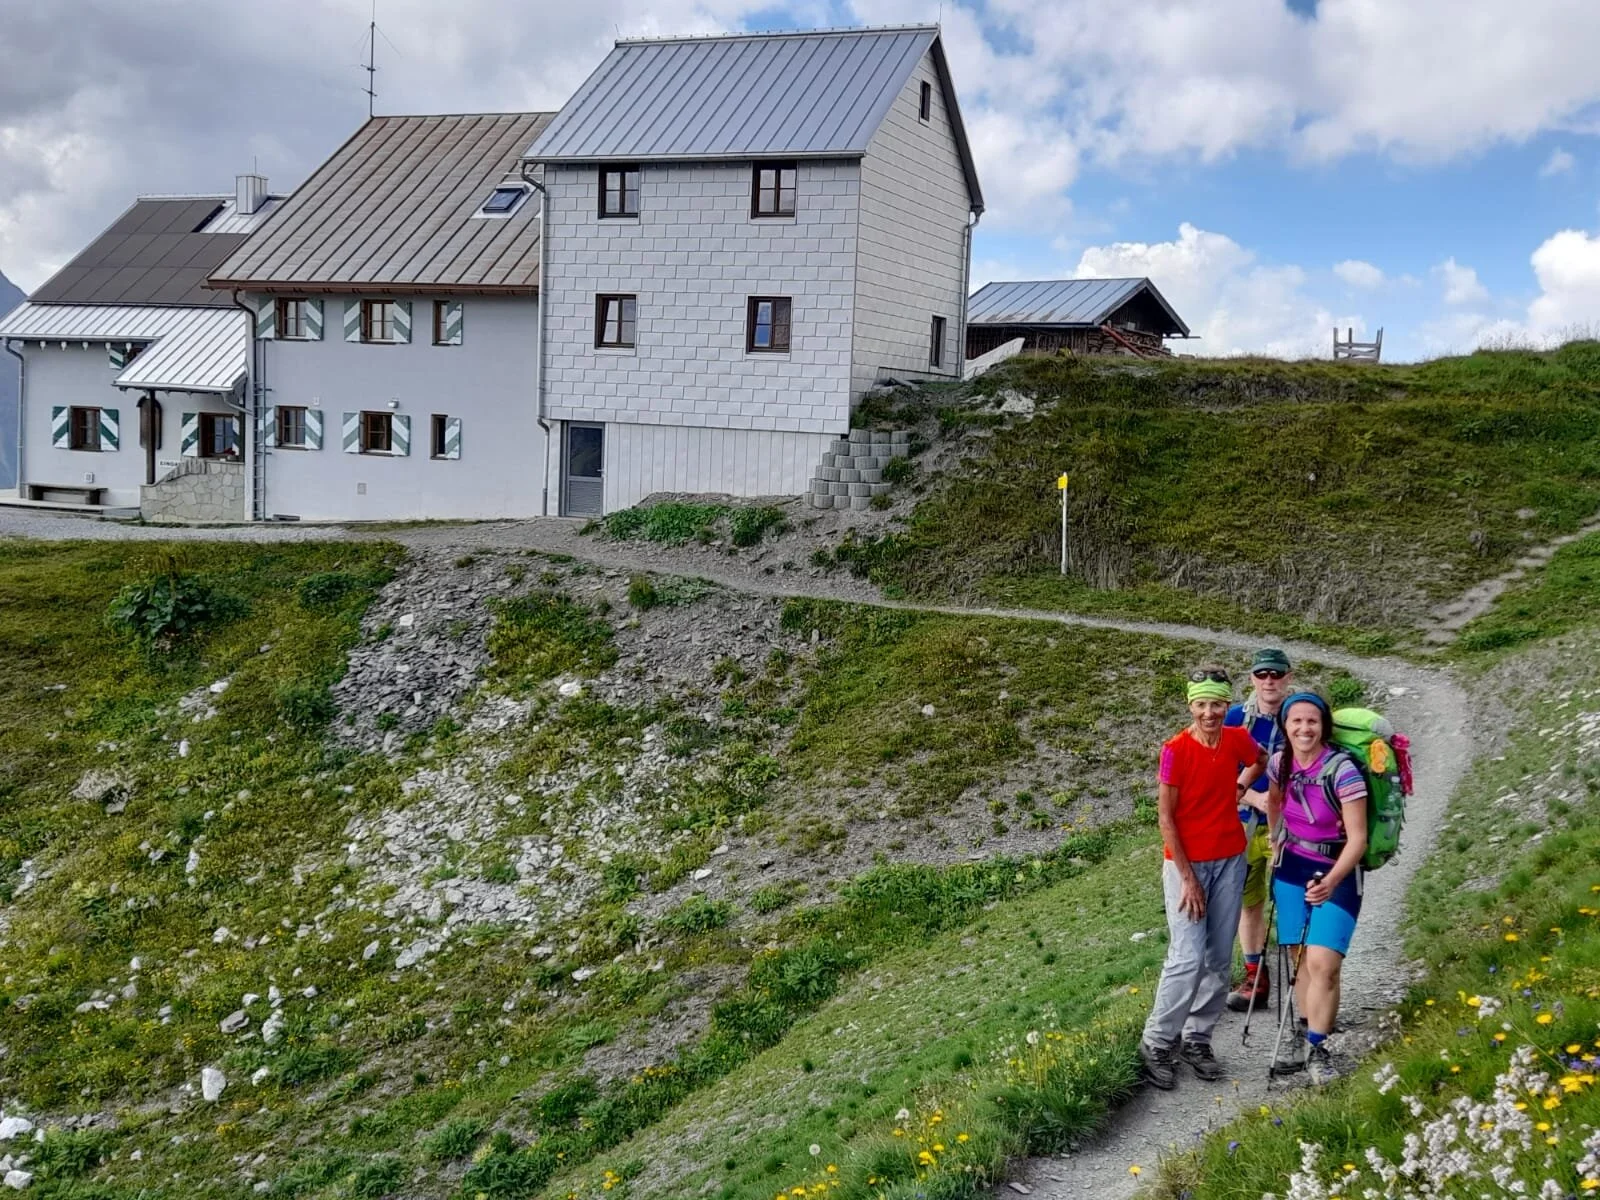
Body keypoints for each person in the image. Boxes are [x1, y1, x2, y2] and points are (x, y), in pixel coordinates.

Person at [1140, 665, 1267, 1089]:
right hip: (1187, 865)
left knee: (1217, 957)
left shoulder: (1236, 738)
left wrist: (1239, 787)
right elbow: (1166, 818)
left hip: (1230, 858)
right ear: (1190, 706)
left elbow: (1260, 760)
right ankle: (1157, 1042)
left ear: (1227, 704)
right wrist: (1188, 879)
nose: (1208, 713)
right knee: (1187, 956)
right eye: (1200, 705)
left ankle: (1197, 1038)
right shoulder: (1175, 750)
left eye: (1216, 704)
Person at [1266, 691, 1369, 1085]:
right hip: (1291, 866)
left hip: (1336, 869)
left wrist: (1331, 881)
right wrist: (1275, 838)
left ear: (1323, 726)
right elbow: (1275, 801)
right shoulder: (1280, 762)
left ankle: (1318, 1048)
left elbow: (1358, 839)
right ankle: (1308, 1028)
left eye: (1312, 721)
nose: (1304, 728)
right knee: (1299, 956)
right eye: (1296, 721)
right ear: (1285, 725)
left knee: (1324, 963)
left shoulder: (1343, 771)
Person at [1224, 648, 1294, 1012]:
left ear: (1288, 677)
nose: (1269, 681)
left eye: (1276, 674)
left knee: (1292, 897)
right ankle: (1256, 976)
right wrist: (1256, 798)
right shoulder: (1234, 719)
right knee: (1248, 901)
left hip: (1292, 825)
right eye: (1262, 674)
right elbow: (1219, 772)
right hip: (1247, 823)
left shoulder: (1300, 715)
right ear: (1252, 678)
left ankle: (1305, 976)